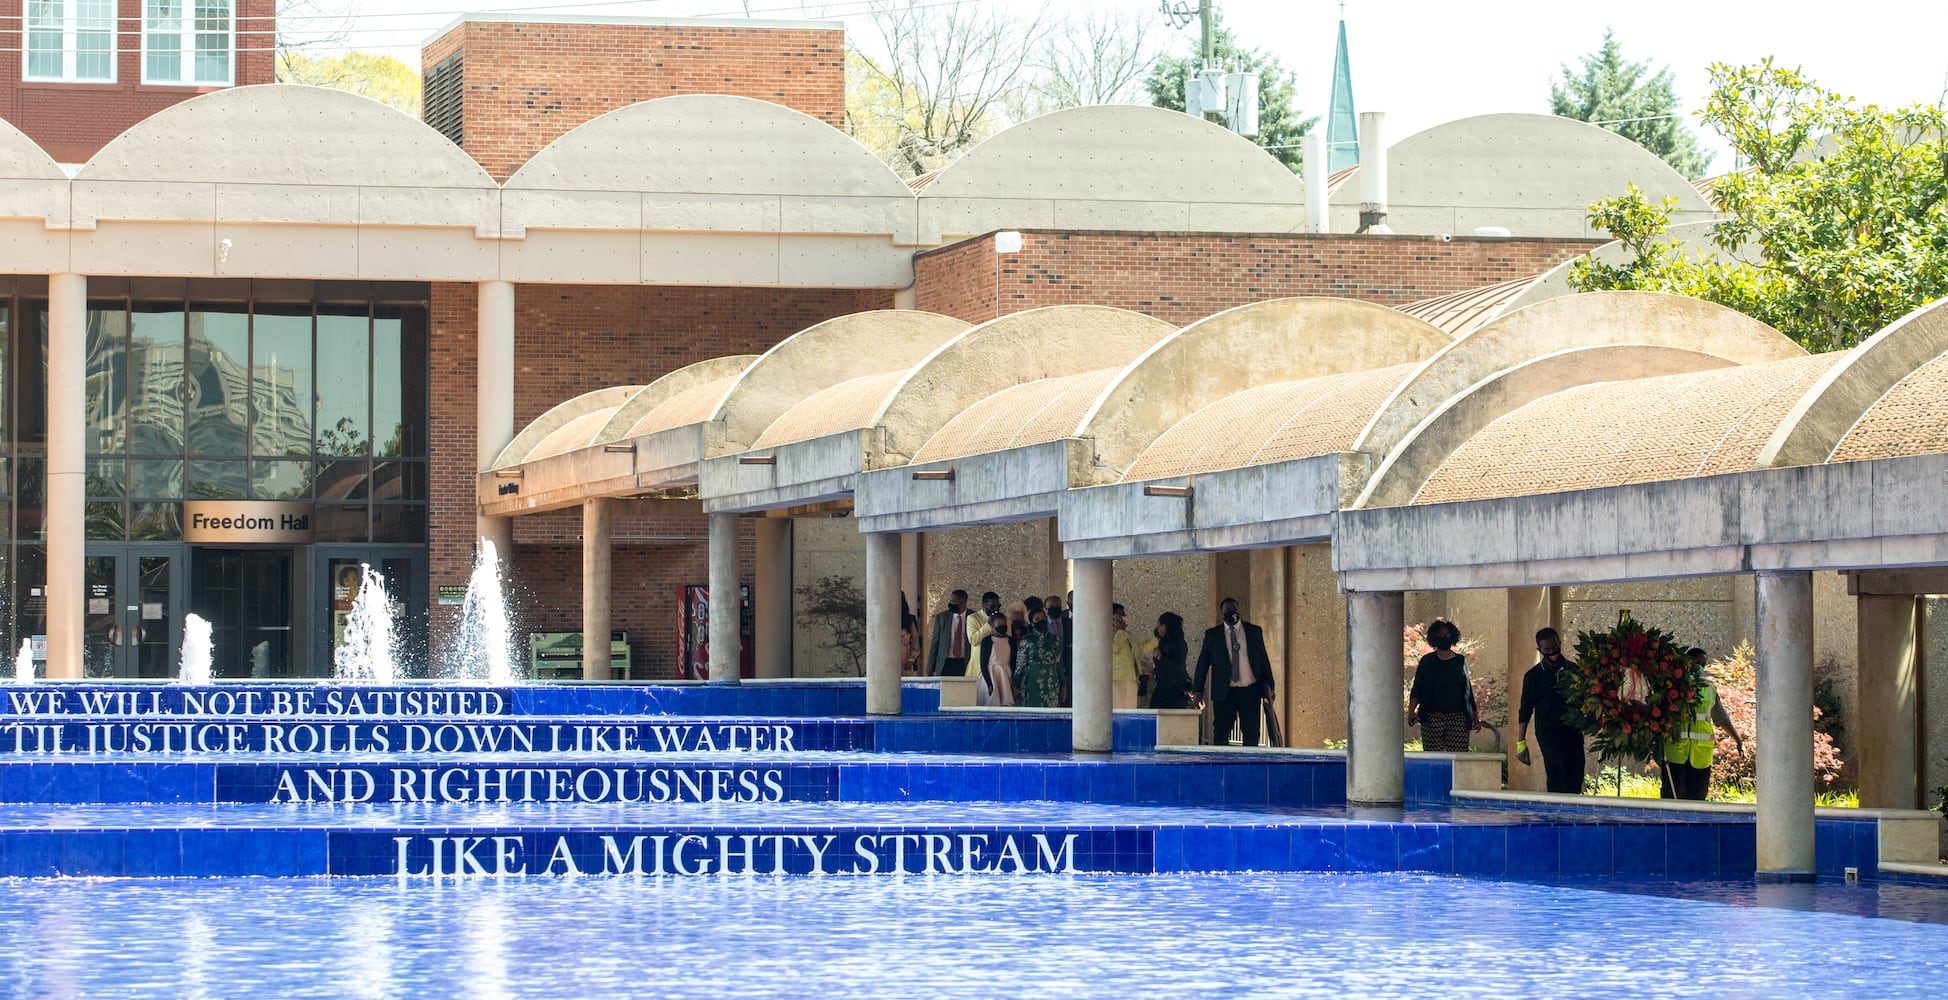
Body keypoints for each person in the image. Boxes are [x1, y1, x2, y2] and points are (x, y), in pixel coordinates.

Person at [1660, 649, 1742, 801]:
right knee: (1672, 800)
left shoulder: (1709, 689)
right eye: (1697, 663)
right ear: (1686, 663)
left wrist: (1737, 739)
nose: (1700, 668)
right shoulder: (1672, 686)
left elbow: (1721, 718)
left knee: (1697, 801)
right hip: (1676, 753)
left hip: (1701, 756)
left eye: (1703, 664)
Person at [1192, 597, 1275, 746]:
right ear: (1221, 613)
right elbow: (1202, 664)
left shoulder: (1253, 631)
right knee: (1221, 734)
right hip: (1225, 693)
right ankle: (1221, 766)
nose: (1232, 613)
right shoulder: (1213, 635)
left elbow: (1263, 660)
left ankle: (1249, 765)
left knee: (1251, 734)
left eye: (1234, 610)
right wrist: (1197, 691)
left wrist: (1270, 685)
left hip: (1250, 691)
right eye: (1227, 611)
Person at [1516, 627, 1586, 793]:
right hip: (1548, 732)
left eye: (1554, 648)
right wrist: (1521, 743)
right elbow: (1525, 709)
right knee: (1556, 776)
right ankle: (1556, 815)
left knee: (1575, 775)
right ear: (1539, 650)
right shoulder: (1533, 676)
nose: (1552, 653)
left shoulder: (1574, 671)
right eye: (1546, 650)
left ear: (1560, 643)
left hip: (1572, 731)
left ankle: (1573, 814)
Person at [1408, 619, 1476, 753]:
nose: (1444, 638)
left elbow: (1467, 691)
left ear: (1453, 637)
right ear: (1434, 637)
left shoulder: (1460, 661)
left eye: (1448, 635)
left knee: (1458, 759)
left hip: (1458, 717)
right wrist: (1411, 711)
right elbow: (1417, 689)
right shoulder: (1427, 661)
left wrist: (1474, 716)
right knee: (1433, 758)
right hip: (1432, 716)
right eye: (1440, 635)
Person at [1014, 597, 1066, 708]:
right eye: (1037, 619)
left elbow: (1058, 664)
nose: (1041, 621)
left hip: (1051, 682)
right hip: (1031, 681)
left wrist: (1063, 684)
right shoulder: (1027, 640)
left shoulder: (1054, 640)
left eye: (1043, 618)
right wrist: (1014, 685)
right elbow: (1020, 665)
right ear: (1032, 622)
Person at [1147, 613, 1193, 710]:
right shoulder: (1162, 643)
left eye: (1160, 625)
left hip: (1176, 689)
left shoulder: (1179, 643)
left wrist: (1161, 657)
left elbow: (1178, 666)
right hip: (1162, 686)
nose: (1158, 628)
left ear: (1166, 626)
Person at [926, 591, 971, 677]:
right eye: (950, 601)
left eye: (954, 602)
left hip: (965, 662)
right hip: (946, 662)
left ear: (963, 603)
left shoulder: (973, 616)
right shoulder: (942, 617)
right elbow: (935, 643)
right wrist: (930, 667)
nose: (951, 603)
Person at [1109, 603, 1140, 710]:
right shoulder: (1107, 632)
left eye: (1124, 614)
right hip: (1115, 679)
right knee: (1117, 711)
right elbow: (1113, 648)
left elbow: (1138, 648)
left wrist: (1155, 641)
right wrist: (1120, 631)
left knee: (1131, 712)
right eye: (1120, 614)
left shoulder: (1128, 634)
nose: (1124, 617)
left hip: (1131, 678)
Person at [967, 591, 1000, 689]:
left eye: (998, 606)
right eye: (992, 606)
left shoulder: (1004, 619)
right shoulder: (973, 618)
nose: (995, 609)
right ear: (983, 605)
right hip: (978, 666)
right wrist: (988, 624)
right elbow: (974, 640)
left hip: (997, 665)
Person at [982, 613, 1015, 707]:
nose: (1002, 627)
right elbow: (983, 663)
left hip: (1006, 674)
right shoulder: (987, 641)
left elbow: (1013, 661)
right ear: (992, 626)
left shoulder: (1010, 641)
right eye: (999, 625)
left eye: (1004, 625)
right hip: (991, 675)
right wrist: (989, 683)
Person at [899, 594, 923, 677]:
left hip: (906, 664)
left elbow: (915, 642)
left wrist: (911, 660)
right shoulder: (884, 620)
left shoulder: (909, 620)